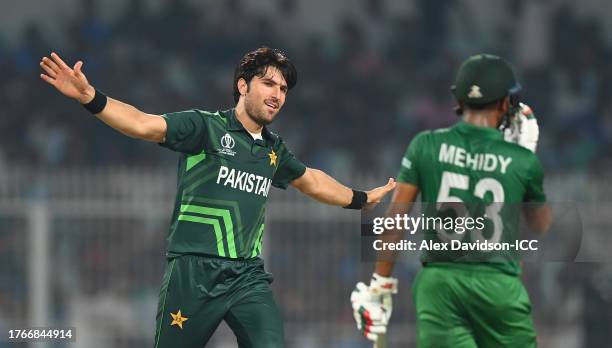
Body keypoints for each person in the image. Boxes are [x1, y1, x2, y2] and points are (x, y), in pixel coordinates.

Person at [40, 47, 396, 348]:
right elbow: (143, 124)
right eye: (268, 83)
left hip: (247, 277)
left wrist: (361, 199)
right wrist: (91, 98)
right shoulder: (205, 127)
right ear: (243, 85)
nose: (277, 94)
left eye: (284, 89)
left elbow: (312, 181)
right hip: (193, 273)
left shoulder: (274, 150)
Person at [351, 54, 553, 347]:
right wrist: (528, 155)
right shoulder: (520, 159)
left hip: (439, 285)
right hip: (499, 286)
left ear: (459, 100)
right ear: (504, 103)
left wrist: (380, 284)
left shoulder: (426, 145)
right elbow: (541, 224)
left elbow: (395, 219)